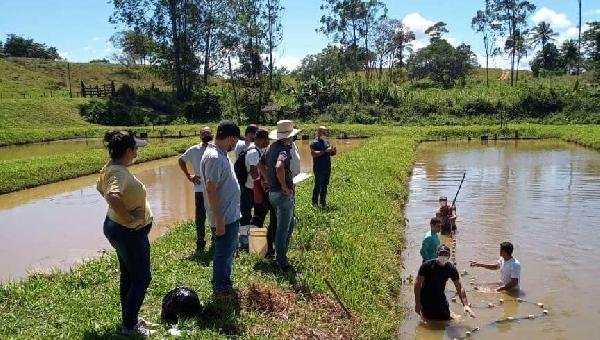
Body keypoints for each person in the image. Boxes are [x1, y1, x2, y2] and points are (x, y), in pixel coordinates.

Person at [96, 131, 155, 336]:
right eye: (136, 148)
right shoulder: (119, 172)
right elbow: (112, 195)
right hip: (128, 232)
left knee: (129, 276)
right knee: (142, 278)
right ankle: (129, 326)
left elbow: (100, 188)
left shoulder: (110, 167)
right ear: (129, 151)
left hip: (118, 228)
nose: (137, 151)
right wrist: (130, 217)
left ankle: (129, 319)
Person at [200, 121, 241, 295]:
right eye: (235, 141)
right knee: (222, 253)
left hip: (230, 213)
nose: (234, 145)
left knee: (228, 251)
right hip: (223, 217)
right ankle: (220, 287)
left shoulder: (221, 154)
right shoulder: (214, 158)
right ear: (230, 138)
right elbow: (211, 188)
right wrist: (219, 221)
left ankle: (225, 282)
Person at [259, 120, 300, 270]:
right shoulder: (284, 149)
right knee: (283, 229)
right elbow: (279, 167)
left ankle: (281, 254)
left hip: (272, 193)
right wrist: (283, 186)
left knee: (291, 223)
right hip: (282, 195)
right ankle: (281, 262)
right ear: (288, 136)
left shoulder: (270, 148)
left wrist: (268, 180)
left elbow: (260, 164)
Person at [414, 245, 474, 321]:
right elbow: (417, 283)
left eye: (446, 254)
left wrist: (465, 305)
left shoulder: (451, 268)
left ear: (449, 256)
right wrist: (417, 303)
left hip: (440, 297)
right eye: (441, 253)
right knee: (429, 321)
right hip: (426, 298)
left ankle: (451, 315)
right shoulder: (427, 266)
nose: (443, 256)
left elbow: (459, 286)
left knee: (446, 320)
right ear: (437, 254)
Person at [178, 126, 213, 253]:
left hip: (215, 188)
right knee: (200, 217)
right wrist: (189, 175)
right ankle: (200, 241)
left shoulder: (217, 148)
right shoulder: (194, 150)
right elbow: (181, 160)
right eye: (203, 133)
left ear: (212, 134)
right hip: (200, 189)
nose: (206, 135)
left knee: (214, 213)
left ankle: (216, 238)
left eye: (208, 133)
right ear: (200, 136)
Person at [310, 126, 336, 207]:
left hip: (327, 167)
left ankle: (323, 202)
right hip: (319, 168)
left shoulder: (326, 141)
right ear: (318, 132)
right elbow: (313, 154)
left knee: (325, 185)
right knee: (318, 185)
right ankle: (314, 203)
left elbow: (330, 153)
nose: (325, 134)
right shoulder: (314, 143)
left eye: (326, 132)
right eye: (323, 132)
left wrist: (333, 151)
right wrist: (325, 151)